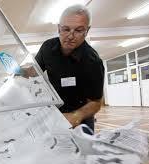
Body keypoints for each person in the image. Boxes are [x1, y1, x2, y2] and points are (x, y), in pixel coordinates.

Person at [30, 4, 104, 134]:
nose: (70, 36)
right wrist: (19, 73)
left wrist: (76, 116)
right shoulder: (47, 48)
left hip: (81, 115)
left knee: (82, 151)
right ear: (58, 28)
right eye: (66, 29)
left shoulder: (93, 62)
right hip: (53, 111)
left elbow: (96, 103)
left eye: (79, 30)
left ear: (87, 30)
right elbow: (33, 71)